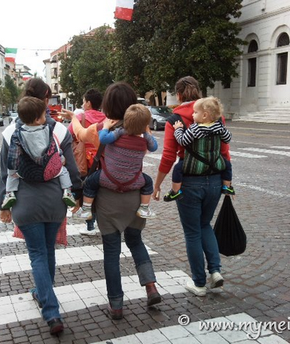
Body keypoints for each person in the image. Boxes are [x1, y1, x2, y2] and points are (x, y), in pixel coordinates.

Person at [67, 82, 162, 320]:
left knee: (111, 251)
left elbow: (79, 134)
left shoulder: (102, 127)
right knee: (135, 241)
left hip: (108, 197)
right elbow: (151, 145)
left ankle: (117, 304)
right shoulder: (140, 128)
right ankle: (150, 286)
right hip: (135, 194)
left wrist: (73, 118)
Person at [0, 78, 82, 336]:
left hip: (25, 202)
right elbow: (71, 168)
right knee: (48, 250)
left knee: (37, 254)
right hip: (55, 200)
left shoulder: (11, 132)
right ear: (46, 99)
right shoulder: (59, 131)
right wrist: (77, 193)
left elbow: (4, 172)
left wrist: (3, 203)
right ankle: (45, 295)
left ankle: (50, 310)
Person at [153, 76, 231, 296]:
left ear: (179, 95)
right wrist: (227, 180)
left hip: (189, 181)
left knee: (192, 232)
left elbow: (168, 156)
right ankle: (215, 271)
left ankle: (199, 283)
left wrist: (158, 184)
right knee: (205, 224)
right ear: (198, 91)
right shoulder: (216, 116)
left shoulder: (175, 119)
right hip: (215, 179)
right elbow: (224, 151)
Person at [73, 104, 158, 221]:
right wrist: (147, 133)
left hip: (108, 177)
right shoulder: (145, 137)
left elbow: (103, 139)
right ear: (146, 124)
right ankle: (144, 207)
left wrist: (106, 127)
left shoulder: (120, 132)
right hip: (133, 180)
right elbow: (154, 147)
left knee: (90, 181)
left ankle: (86, 208)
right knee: (148, 182)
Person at [1, 96, 76, 210]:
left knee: (12, 173)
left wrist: (13, 169)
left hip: (26, 173)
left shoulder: (17, 134)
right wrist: (61, 158)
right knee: (63, 170)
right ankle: (68, 191)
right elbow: (54, 149)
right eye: (44, 115)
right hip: (50, 171)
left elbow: (13, 156)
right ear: (37, 119)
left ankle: (10, 193)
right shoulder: (48, 130)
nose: (46, 117)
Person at [164, 96, 233, 202]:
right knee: (227, 165)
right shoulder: (219, 126)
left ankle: (175, 192)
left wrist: (178, 129)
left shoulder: (195, 128)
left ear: (204, 115)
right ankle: (227, 186)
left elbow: (183, 141)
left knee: (178, 169)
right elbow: (227, 139)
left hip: (194, 165)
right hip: (215, 163)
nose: (192, 114)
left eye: (195, 112)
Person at [67, 88, 107, 236]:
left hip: (86, 162)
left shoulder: (80, 117)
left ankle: (90, 225)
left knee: (87, 192)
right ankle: (101, 222)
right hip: (104, 160)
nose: (83, 104)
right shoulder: (106, 118)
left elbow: (69, 134)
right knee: (101, 192)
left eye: (84, 101)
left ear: (89, 103)